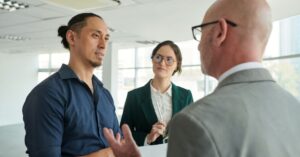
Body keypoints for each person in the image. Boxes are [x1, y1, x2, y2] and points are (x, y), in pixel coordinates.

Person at [103, 0, 300, 156]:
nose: (198, 46)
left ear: (220, 32)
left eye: (201, 31)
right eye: (158, 57)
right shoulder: (294, 108)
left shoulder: (194, 121)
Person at [22, 13, 120, 157]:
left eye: (106, 38)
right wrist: (104, 155)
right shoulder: (47, 94)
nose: (103, 45)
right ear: (72, 37)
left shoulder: (105, 95)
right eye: (95, 35)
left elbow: (118, 145)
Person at [120, 40, 193, 146]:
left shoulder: (186, 96)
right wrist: (147, 138)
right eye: (158, 57)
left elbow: (191, 131)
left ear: (177, 65)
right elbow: (123, 133)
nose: (162, 63)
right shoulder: (134, 96)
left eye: (169, 60)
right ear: (152, 60)